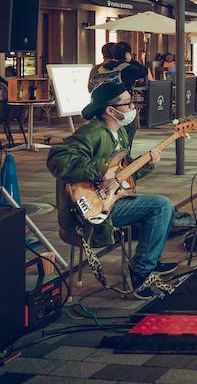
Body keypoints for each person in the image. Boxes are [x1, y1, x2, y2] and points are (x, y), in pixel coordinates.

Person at [46, 82, 176, 299]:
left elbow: (122, 174)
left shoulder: (121, 133)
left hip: (112, 199)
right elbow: (57, 160)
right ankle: (141, 270)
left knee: (161, 207)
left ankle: (149, 260)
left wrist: (149, 165)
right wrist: (99, 170)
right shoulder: (92, 133)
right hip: (88, 210)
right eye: (128, 103)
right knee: (160, 207)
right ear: (110, 110)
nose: (133, 107)